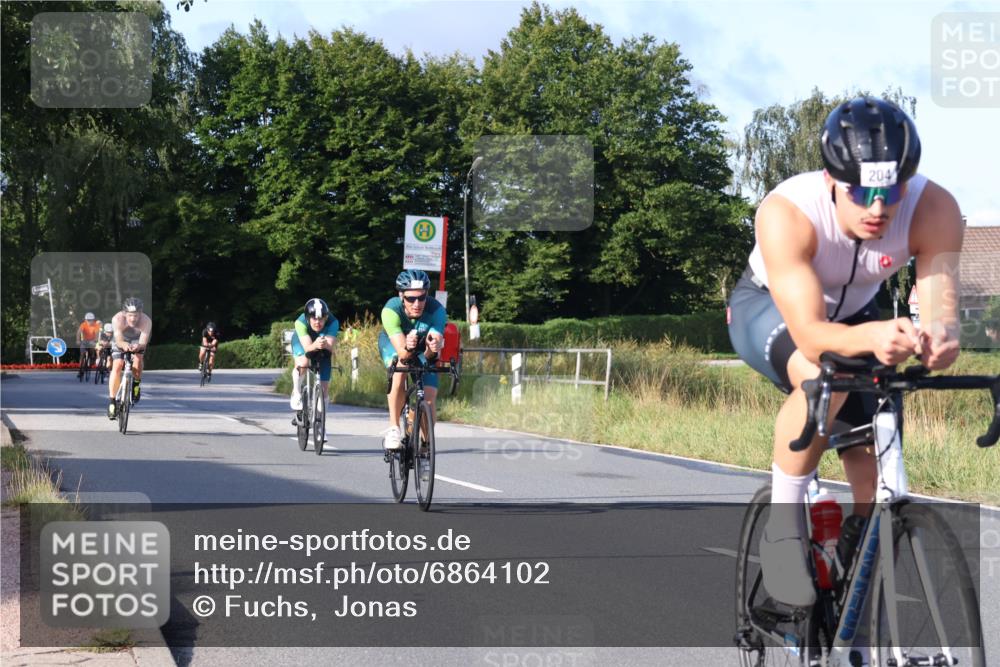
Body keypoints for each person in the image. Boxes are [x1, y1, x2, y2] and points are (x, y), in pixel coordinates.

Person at [727, 97, 961, 610]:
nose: (878, 208)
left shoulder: (935, 208)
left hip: (857, 311)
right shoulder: (788, 211)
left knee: (877, 417)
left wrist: (940, 338)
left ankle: (859, 541)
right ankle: (783, 531)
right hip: (770, 308)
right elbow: (811, 333)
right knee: (820, 376)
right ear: (833, 180)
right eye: (861, 192)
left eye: (891, 191)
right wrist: (875, 337)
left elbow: (941, 308)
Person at [378, 270, 446, 451]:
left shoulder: (437, 310)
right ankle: (393, 427)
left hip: (423, 347)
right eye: (410, 299)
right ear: (401, 296)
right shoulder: (391, 310)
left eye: (422, 298)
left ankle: (425, 445)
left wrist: (433, 347)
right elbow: (403, 354)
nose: (417, 304)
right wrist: (407, 347)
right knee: (401, 365)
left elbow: (432, 353)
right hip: (395, 346)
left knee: (429, 398)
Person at [290, 299, 339, 420]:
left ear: (326, 317)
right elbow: (307, 348)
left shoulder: (333, 322)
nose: (318, 322)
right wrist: (315, 345)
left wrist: (324, 345)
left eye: (322, 318)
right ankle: (296, 391)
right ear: (307, 318)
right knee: (304, 362)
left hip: (321, 343)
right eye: (314, 318)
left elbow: (330, 347)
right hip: (302, 343)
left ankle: (321, 424)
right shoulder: (300, 322)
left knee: (324, 388)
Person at [108, 298, 153, 419]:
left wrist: (138, 346)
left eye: (136, 315)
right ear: (124, 314)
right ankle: (112, 402)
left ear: (141, 313)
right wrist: (125, 346)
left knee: (138, 359)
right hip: (121, 340)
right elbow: (118, 340)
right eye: (130, 315)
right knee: (117, 365)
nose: (133, 318)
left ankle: (136, 384)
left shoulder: (146, 321)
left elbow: (143, 342)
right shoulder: (117, 319)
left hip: (137, 340)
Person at [76, 312, 101, 379]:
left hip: (92, 341)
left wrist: (95, 340)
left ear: (94, 320)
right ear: (85, 320)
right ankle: (80, 370)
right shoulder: (83, 325)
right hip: (84, 341)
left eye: (91, 320)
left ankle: (92, 358)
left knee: (92, 351)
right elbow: (79, 332)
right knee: (82, 354)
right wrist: (78, 340)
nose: (90, 321)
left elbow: (97, 334)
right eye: (88, 320)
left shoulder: (96, 325)